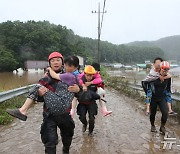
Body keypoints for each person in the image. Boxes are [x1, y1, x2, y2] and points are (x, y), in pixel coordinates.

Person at [7, 52, 80, 154]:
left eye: (58, 60)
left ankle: (65, 150)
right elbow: (38, 98)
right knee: (50, 143)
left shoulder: (68, 75)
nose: (55, 62)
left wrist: (78, 90)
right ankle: (23, 111)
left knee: (67, 139)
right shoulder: (45, 79)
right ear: (49, 63)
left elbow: (80, 95)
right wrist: (41, 95)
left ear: (63, 62)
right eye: (52, 60)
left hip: (65, 115)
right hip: (49, 115)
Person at [146, 61, 172, 135]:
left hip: (162, 98)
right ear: (160, 69)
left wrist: (169, 105)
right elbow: (149, 90)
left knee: (165, 112)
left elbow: (168, 90)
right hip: (153, 98)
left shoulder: (168, 78)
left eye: (167, 70)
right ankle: (152, 125)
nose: (165, 71)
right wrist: (148, 104)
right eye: (164, 69)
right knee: (153, 113)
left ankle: (162, 127)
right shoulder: (154, 77)